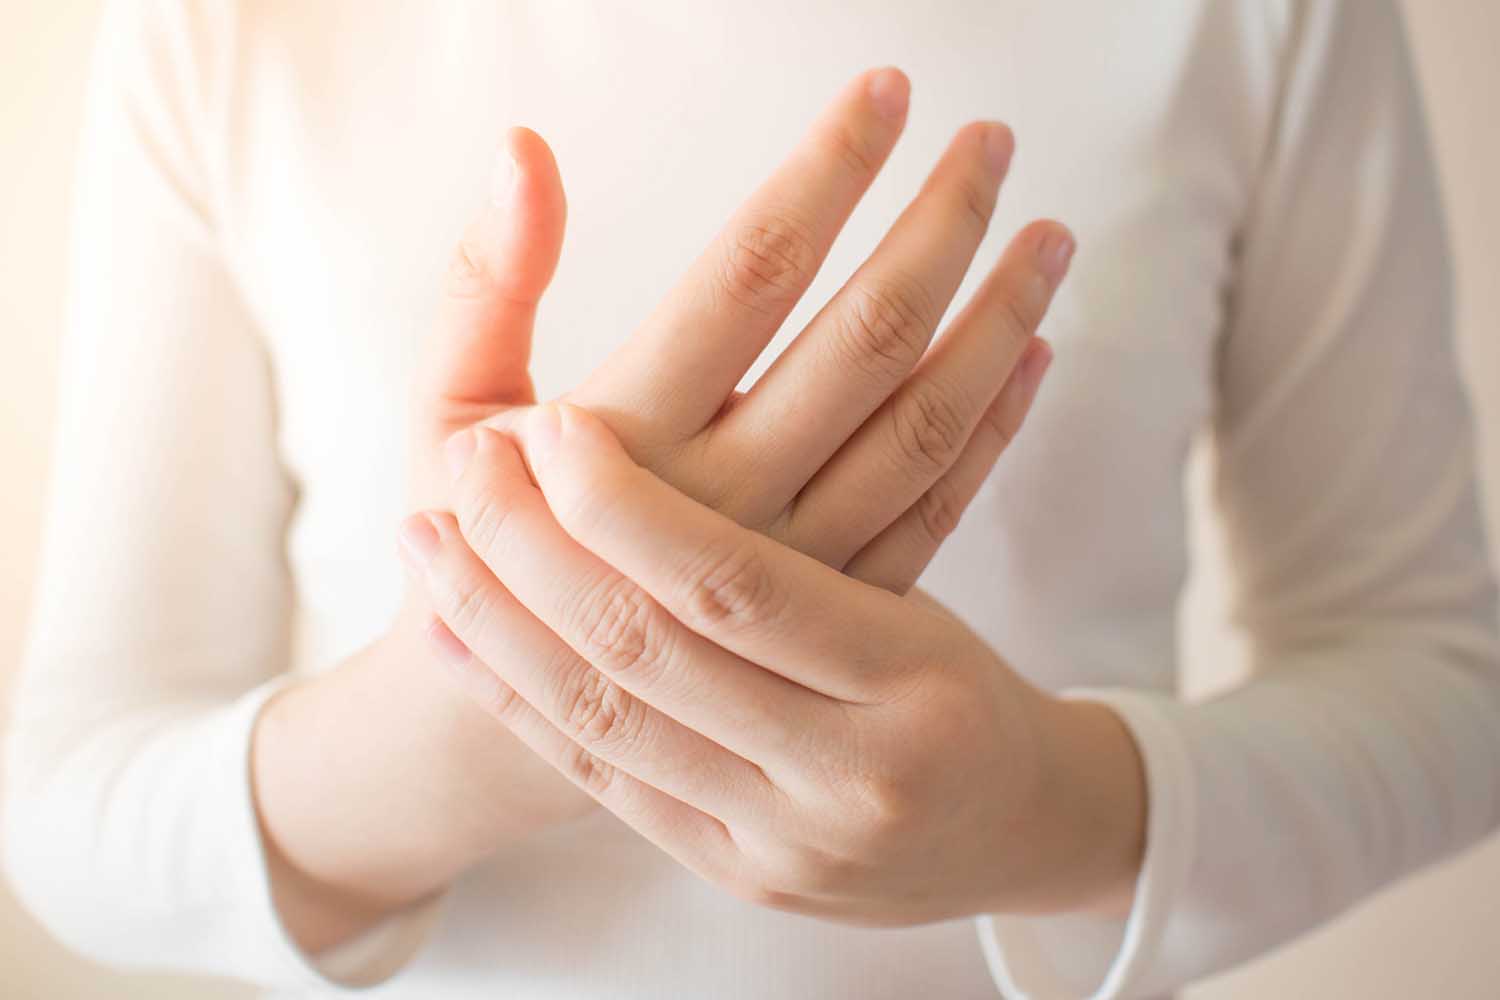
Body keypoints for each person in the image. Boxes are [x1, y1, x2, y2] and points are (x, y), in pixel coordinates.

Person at [5, 1, 1498, 998]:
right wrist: (482, 713)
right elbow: (70, 802)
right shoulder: (227, 26)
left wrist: (1051, 812)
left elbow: (1442, 675)